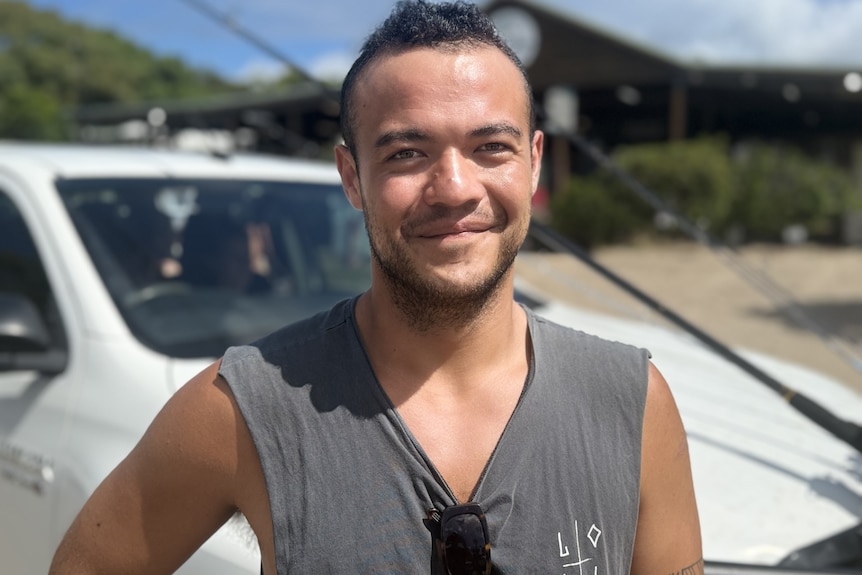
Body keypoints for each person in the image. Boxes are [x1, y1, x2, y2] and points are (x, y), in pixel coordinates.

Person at [49, 1, 702, 574]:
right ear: (351, 175)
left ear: (533, 162)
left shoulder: (634, 404)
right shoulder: (240, 410)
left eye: (490, 148)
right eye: (406, 154)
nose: (454, 187)